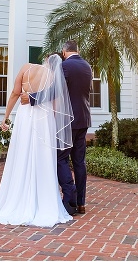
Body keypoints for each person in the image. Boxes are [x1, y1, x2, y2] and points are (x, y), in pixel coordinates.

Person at [0, 54, 74, 227]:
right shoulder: (53, 76)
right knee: (43, 157)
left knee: (21, 153)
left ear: (44, 59)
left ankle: (17, 198)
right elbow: (56, 105)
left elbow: (15, 93)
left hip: (24, 116)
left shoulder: (26, 67)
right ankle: (42, 200)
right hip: (44, 120)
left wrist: (5, 118)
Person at [57, 40, 93, 215]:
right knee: (79, 162)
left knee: (61, 158)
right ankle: (81, 203)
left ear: (64, 51)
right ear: (77, 50)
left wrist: (32, 98)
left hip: (68, 121)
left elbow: (54, 91)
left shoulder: (65, 66)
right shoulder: (87, 66)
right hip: (84, 119)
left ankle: (69, 197)